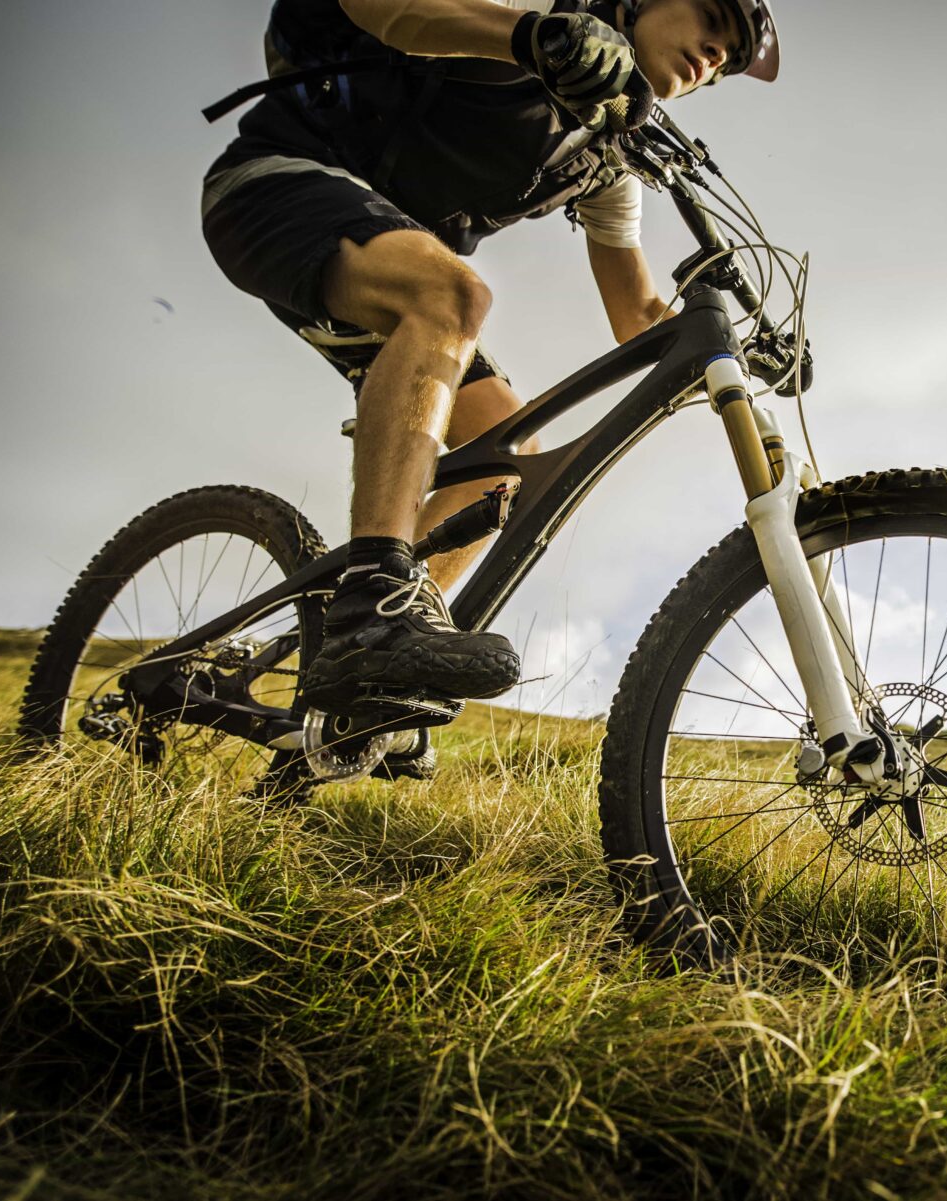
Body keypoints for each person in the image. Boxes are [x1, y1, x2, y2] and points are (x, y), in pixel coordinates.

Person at [200, 0, 780, 772]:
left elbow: (637, 314)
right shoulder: (538, 13)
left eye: (731, 57)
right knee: (453, 298)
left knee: (505, 448)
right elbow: (388, 9)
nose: (716, 52)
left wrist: (741, 353)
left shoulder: (605, 160)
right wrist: (531, 37)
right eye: (711, 17)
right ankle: (372, 610)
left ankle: (387, 659)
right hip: (271, 187)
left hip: (376, 268)